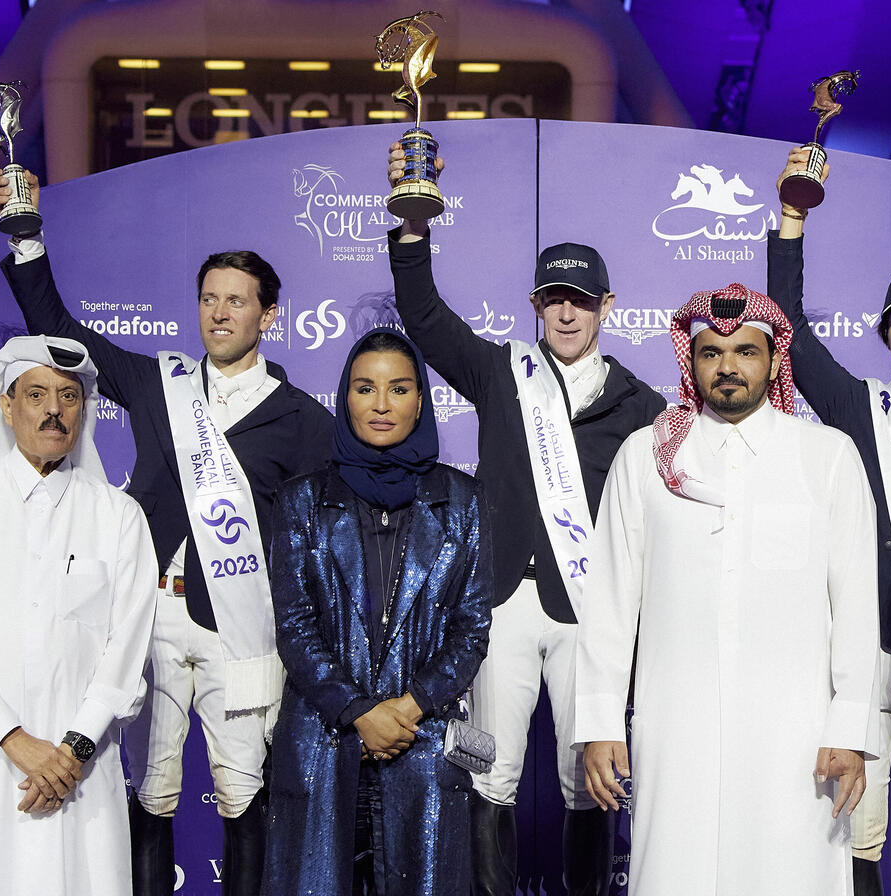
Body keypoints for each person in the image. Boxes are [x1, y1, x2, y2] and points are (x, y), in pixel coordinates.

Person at [0, 170, 333, 896]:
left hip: (240, 628)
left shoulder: (305, 421)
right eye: (209, 299)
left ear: (268, 316)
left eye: (236, 301)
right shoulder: (157, 384)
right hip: (145, 618)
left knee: (244, 792)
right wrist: (26, 237)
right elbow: (61, 331)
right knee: (151, 791)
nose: (218, 313)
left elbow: (328, 531)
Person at [387, 145, 664, 896]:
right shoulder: (500, 372)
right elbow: (424, 315)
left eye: (580, 299)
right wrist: (412, 228)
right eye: (552, 298)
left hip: (590, 615)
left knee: (590, 778)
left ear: (608, 306)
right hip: (500, 605)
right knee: (486, 768)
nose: (566, 311)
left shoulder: (644, 408)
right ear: (536, 305)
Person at [574, 285, 880, 896]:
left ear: (774, 359)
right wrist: (602, 719)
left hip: (797, 735)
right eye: (712, 353)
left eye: (745, 351)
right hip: (674, 724)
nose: (729, 367)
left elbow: (854, 606)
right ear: (693, 363)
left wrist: (849, 727)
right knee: (675, 870)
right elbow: (609, 598)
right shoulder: (647, 456)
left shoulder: (826, 455)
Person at [766, 148, 891, 895]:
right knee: (857, 822)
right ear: (885, 335)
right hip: (863, 641)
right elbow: (784, 324)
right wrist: (792, 218)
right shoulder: (860, 406)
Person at [0, 335, 157, 895]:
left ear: (84, 409)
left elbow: (126, 652)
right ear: (6, 405)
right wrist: (13, 737)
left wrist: (73, 751)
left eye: (68, 396)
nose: (52, 410)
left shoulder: (117, 516)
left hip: (81, 775)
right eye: (37, 394)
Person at [261, 328, 494, 896]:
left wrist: (407, 708)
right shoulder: (302, 498)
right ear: (345, 397)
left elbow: (471, 626)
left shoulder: (463, 500)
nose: (382, 404)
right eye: (366, 388)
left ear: (422, 401)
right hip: (323, 741)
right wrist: (358, 712)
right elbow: (293, 627)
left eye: (399, 388)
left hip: (423, 743)